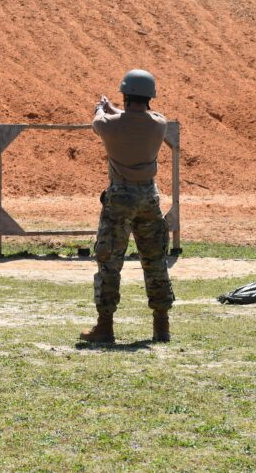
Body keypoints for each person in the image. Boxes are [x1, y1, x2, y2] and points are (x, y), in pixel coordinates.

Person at [79, 69, 175, 344]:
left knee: (109, 262)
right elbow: (140, 117)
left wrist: (103, 107)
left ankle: (105, 326)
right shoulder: (159, 124)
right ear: (150, 96)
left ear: (125, 93)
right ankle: (161, 325)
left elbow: (101, 120)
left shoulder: (108, 125)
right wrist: (113, 109)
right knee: (155, 261)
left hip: (120, 197)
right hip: (149, 197)